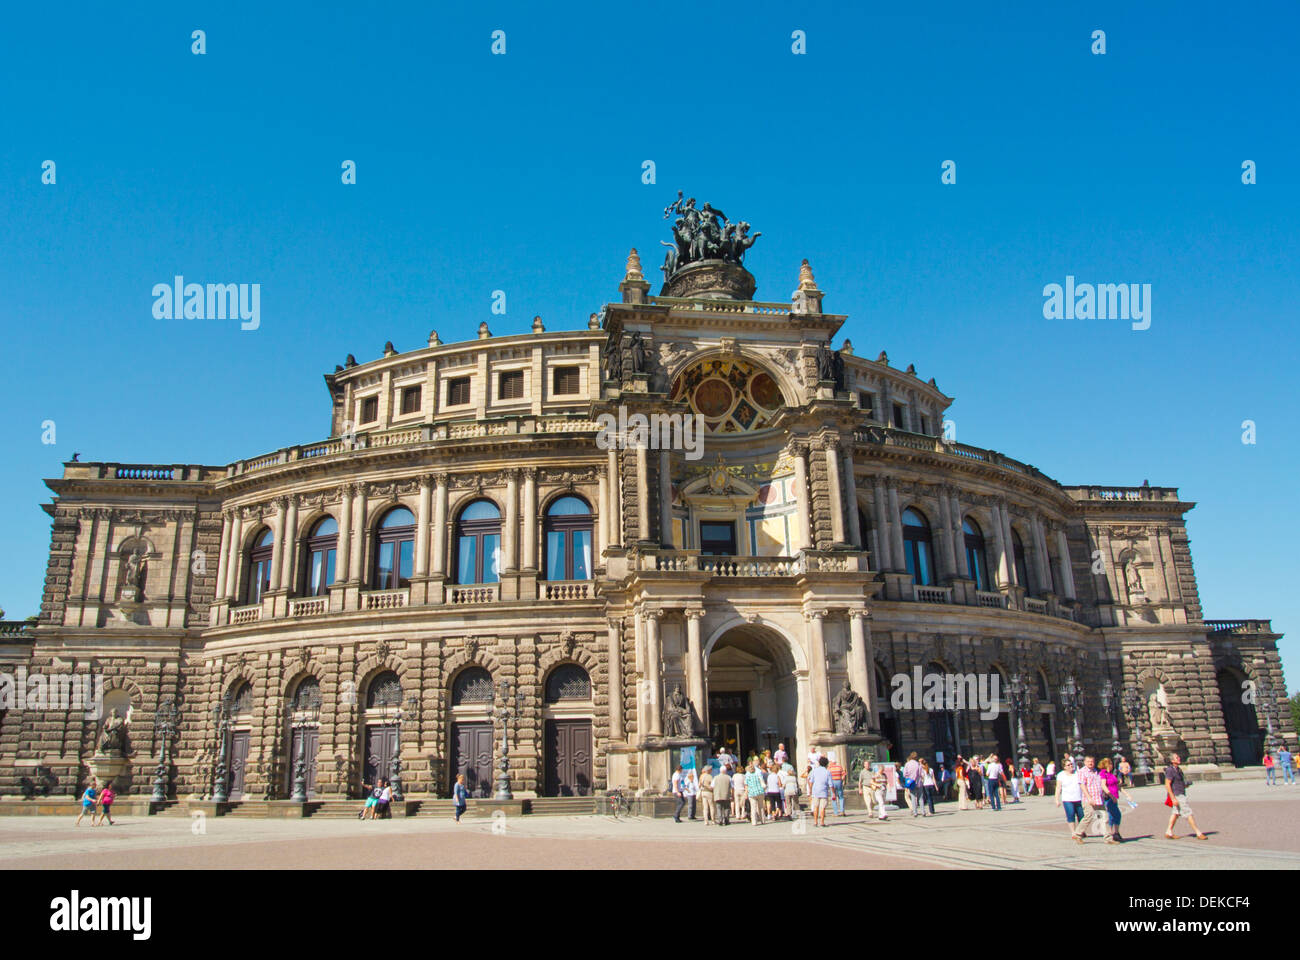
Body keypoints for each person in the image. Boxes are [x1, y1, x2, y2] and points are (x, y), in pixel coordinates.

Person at [1164, 753, 1207, 840]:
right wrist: (1173, 798)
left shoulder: (1178, 770)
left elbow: (1178, 782)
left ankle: (1169, 831)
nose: (1179, 758)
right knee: (1188, 813)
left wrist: (1185, 785)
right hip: (1177, 795)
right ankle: (1198, 832)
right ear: (1172, 761)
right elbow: (1167, 784)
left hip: (1181, 792)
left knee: (1175, 813)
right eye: (1177, 757)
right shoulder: (1170, 770)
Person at [1097, 757, 1134, 843]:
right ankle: (1111, 833)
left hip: (1114, 797)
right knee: (1113, 815)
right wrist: (1111, 795)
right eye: (1109, 764)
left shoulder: (1112, 774)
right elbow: (1103, 785)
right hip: (1108, 798)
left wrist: (1127, 794)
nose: (1111, 765)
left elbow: (1117, 786)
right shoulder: (1103, 773)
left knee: (1116, 815)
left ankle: (1116, 832)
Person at [1071, 757, 1106, 844]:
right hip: (1088, 799)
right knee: (1088, 816)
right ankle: (1078, 834)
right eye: (1088, 761)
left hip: (1099, 798)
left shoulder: (1096, 771)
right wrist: (1089, 797)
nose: (1090, 763)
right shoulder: (1082, 772)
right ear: (1085, 762)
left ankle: (1108, 837)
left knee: (1104, 817)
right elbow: (1082, 785)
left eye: (1092, 761)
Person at [1055, 756, 1083, 835]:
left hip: (1078, 798)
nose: (1071, 766)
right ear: (1064, 767)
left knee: (1082, 816)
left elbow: (1082, 785)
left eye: (1071, 764)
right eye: (1068, 765)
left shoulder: (1077, 773)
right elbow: (1058, 788)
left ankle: (1080, 831)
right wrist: (1057, 799)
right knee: (1070, 815)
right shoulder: (1061, 775)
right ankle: (1073, 832)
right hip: (1067, 799)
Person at [809, 756, 833, 827]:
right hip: (824, 791)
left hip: (815, 791)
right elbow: (830, 784)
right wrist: (833, 793)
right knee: (822, 807)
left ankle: (815, 822)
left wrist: (810, 790)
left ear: (819, 763)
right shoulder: (827, 772)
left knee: (816, 806)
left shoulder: (814, 770)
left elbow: (811, 781)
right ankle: (822, 822)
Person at [902, 752, 923, 817]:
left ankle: (915, 812)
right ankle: (923, 811)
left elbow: (904, 774)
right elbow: (920, 773)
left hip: (911, 783)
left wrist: (909, 777)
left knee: (913, 798)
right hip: (918, 782)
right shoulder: (918, 764)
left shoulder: (907, 764)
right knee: (920, 798)